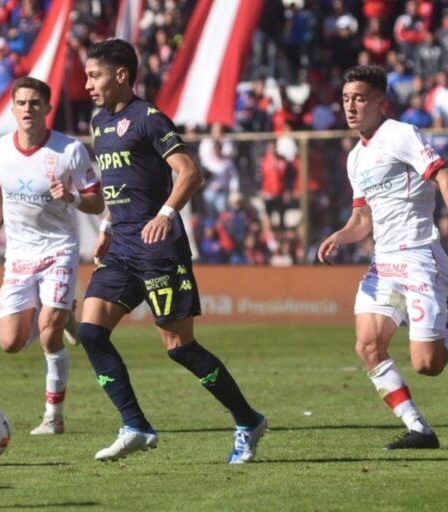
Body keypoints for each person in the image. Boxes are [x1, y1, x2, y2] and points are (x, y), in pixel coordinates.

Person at [80, 39, 266, 464]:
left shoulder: (149, 119)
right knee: (90, 332)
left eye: (95, 75)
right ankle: (135, 426)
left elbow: (190, 172)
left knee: (179, 347)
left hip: (158, 249)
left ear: (121, 75)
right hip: (122, 247)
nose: (88, 84)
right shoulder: (99, 122)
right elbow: (119, 185)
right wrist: (107, 226)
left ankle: (247, 420)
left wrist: (166, 212)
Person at [318, 65, 448, 450]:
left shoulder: (402, 134)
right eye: (346, 99)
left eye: (359, 98)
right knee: (367, 345)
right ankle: (419, 429)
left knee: (428, 364)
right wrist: (340, 237)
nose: (350, 106)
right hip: (384, 262)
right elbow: (363, 218)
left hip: (419, 256)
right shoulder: (355, 159)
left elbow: (444, 176)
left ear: (381, 102)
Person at [0, 77, 104, 435]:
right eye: (22, 103)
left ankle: (53, 416)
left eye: (35, 103)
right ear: (12, 109)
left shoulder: (70, 151)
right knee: (10, 343)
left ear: (47, 108)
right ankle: (64, 317)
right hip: (18, 254)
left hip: (58, 249)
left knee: (48, 333)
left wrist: (72, 198)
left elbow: (98, 201)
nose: (28, 109)